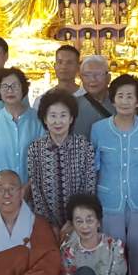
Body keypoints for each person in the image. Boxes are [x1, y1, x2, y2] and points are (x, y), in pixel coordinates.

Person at [91, 74, 138, 275]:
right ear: (113, 100)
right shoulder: (99, 129)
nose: (125, 101)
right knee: (111, 253)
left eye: (130, 96)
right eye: (120, 96)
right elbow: (94, 166)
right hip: (109, 199)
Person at [27, 90, 96, 233]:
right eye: (52, 116)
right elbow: (36, 190)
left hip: (79, 223)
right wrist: (49, 224)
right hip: (46, 224)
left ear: (71, 118)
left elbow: (88, 186)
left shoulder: (84, 146)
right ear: (45, 119)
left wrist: (73, 221)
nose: (58, 121)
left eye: (63, 115)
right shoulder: (35, 149)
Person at [0, 67, 44, 183]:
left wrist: (29, 186)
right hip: (1, 189)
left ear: (23, 88)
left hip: (32, 188)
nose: (10, 90)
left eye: (15, 86)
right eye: (5, 86)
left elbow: (43, 157)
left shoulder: (37, 119)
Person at [73, 55, 116, 137]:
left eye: (98, 74)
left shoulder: (119, 103)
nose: (93, 79)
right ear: (81, 78)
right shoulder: (73, 104)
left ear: (108, 78)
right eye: (87, 75)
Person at [32, 44, 84, 109]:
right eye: (60, 62)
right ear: (54, 66)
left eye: (69, 62)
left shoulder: (87, 97)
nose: (64, 67)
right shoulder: (42, 101)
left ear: (78, 67)